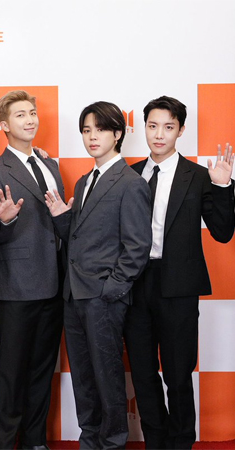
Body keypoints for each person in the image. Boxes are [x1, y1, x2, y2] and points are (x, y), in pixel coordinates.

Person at [123, 96, 235, 449]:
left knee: (178, 374)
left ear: (181, 130)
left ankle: (181, 442)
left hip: (179, 288)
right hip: (135, 284)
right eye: (153, 126)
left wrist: (223, 186)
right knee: (143, 374)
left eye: (168, 127)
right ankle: (156, 442)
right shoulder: (129, 174)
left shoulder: (199, 176)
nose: (159, 134)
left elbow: (222, 232)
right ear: (144, 128)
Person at [45, 101, 152, 449]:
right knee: (84, 378)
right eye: (86, 130)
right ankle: (89, 440)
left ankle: (113, 442)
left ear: (118, 134)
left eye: (101, 129)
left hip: (103, 298)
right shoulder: (84, 181)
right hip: (73, 294)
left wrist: (112, 289)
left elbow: (137, 246)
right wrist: (62, 218)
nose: (92, 137)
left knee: (107, 376)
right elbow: (79, 237)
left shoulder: (130, 183)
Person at [0, 90, 65, 450]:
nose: (29, 120)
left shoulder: (50, 164)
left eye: (32, 113)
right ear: (3, 125)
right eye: (20, 115)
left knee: (43, 368)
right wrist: (3, 220)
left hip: (56, 281)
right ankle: (4, 443)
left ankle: (34, 440)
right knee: (12, 371)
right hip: (19, 284)